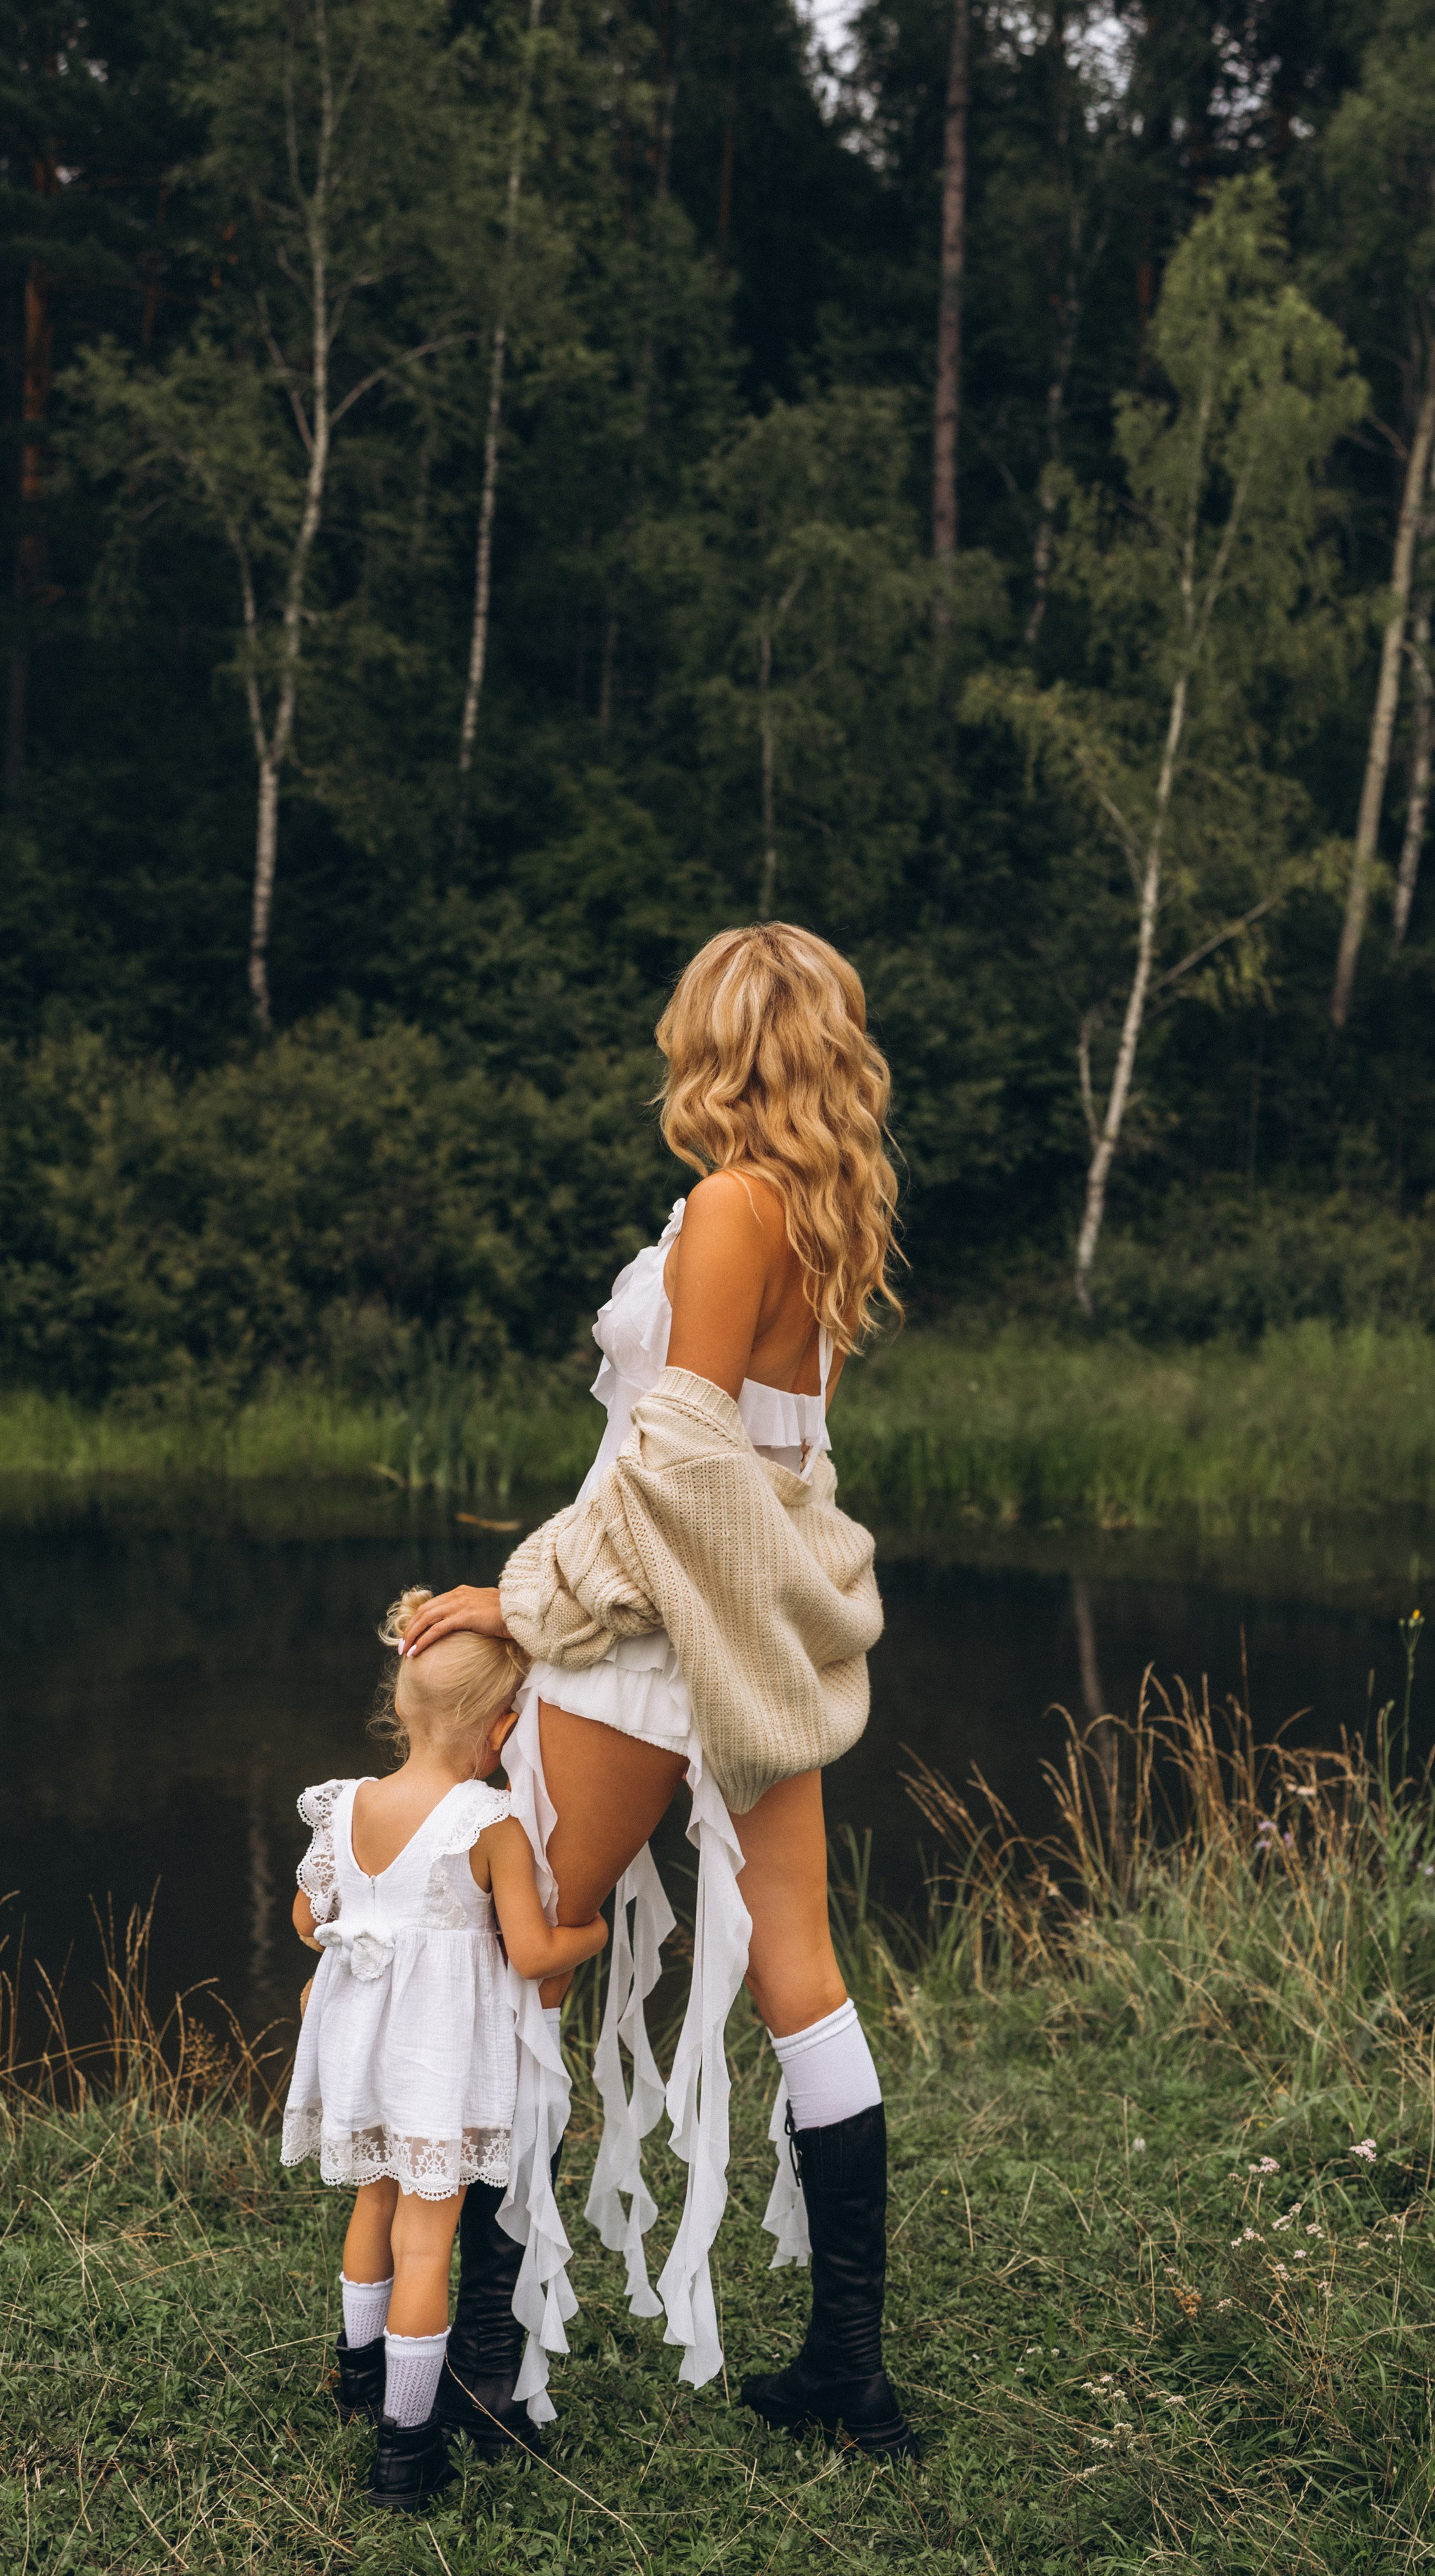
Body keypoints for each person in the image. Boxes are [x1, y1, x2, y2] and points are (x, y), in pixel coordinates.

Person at [401, 921, 917, 2462]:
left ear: (712, 1039)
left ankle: (479, 2358)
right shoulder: (820, 1214)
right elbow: (754, 1460)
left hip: (649, 1640)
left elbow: (679, 1465)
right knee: (798, 1966)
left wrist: (524, 1596)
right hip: (756, 1630)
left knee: (522, 1958)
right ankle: (844, 2370)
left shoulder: (728, 1208)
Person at [283, 1591, 608, 2513]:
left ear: (403, 1707)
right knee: (428, 2244)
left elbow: (309, 1920)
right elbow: (536, 1952)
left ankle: (356, 2375)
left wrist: (358, 1952)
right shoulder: (486, 1820)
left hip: (358, 2047)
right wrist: (592, 1934)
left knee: (374, 2208)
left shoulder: (346, 1805)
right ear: (504, 1727)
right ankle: (405, 2450)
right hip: (433, 2059)